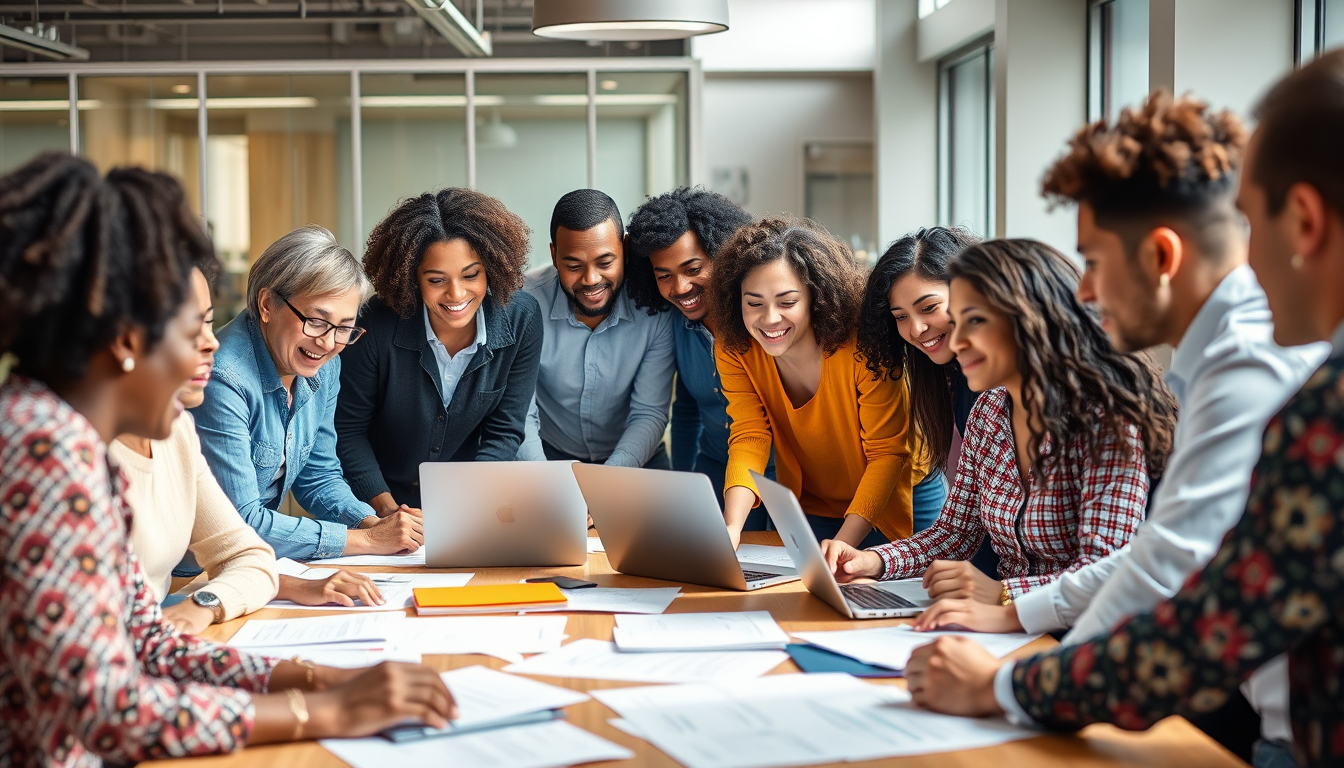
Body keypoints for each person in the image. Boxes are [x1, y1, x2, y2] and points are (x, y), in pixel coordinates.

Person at [904, 49, 1344, 768]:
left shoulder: (1258, 365)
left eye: (1095, 262)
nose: (1083, 292)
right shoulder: (1226, 367)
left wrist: (1011, 686)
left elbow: (1177, 584)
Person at [0, 153, 455, 766]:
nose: (213, 345)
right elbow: (109, 708)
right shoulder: (41, 449)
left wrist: (313, 679)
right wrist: (324, 713)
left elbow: (146, 640)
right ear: (127, 339)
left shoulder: (70, 437)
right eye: (193, 329)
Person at [821, 239, 1176, 604]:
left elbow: (1105, 571)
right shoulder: (990, 410)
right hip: (1009, 628)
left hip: (1081, 636)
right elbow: (955, 532)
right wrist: (873, 560)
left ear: (1030, 318)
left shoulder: (1106, 421)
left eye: (973, 321)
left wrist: (1003, 595)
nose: (955, 340)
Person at [111, 264, 390, 635]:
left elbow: (247, 555)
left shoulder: (176, 427)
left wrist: (368, 522)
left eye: (209, 323)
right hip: (181, 584)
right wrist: (366, 539)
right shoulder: (64, 454)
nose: (212, 343)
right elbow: (245, 527)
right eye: (191, 327)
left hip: (179, 608)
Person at [193, 225, 420, 561]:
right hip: (194, 572)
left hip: (249, 563)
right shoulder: (224, 378)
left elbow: (319, 475)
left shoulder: (321, 364)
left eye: (344, 328)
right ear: (268, 304)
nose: (328, 343)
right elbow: (239, 521)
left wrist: (373, 523)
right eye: (316, 321)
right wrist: (369, 541)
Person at [709, 216, 929, 550]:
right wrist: (731, 527)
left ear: (816, 296)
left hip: (899, 493)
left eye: (787, 302)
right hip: (816, 502)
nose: (769, 318)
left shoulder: (864, 344)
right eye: (754, 303)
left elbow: (887, 453)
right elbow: (749, 434)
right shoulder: (735, 346)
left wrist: (842, 545)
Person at [336, 189, 542, 513]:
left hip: (470, 504)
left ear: (491, 267)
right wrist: (390, 514)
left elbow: (504, 432)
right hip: (377, 505)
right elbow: (348, 431)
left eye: (471, 275)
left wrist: (465, 510)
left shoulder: (522, 319)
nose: (456, 293)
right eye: (436, 280)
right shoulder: (374, 325)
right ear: (411, 279)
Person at [625, 187, 773, 518]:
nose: (680, 287)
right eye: (664, 276)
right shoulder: (677, 325)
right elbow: (689, 407)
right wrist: (684, 483)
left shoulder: (765, 321)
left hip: (779, 477)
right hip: (714, 470)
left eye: (693, 269)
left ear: (725, 256)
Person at [516, 189, 676, 468]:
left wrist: (605, 485)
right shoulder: (525, 305)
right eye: (574, 265)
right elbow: (520, 413)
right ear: (554, 255)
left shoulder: (655, 309)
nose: (591, 279)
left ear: (625, 249)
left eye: (605, 262)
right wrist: (545, 485)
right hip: (547, 455)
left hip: (637, 456)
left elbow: (648, 413)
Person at [856, 227, 984, 534]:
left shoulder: (1000, 383)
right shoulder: (945, 374)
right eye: (900, 316)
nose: (916, 329)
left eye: (929, 308)